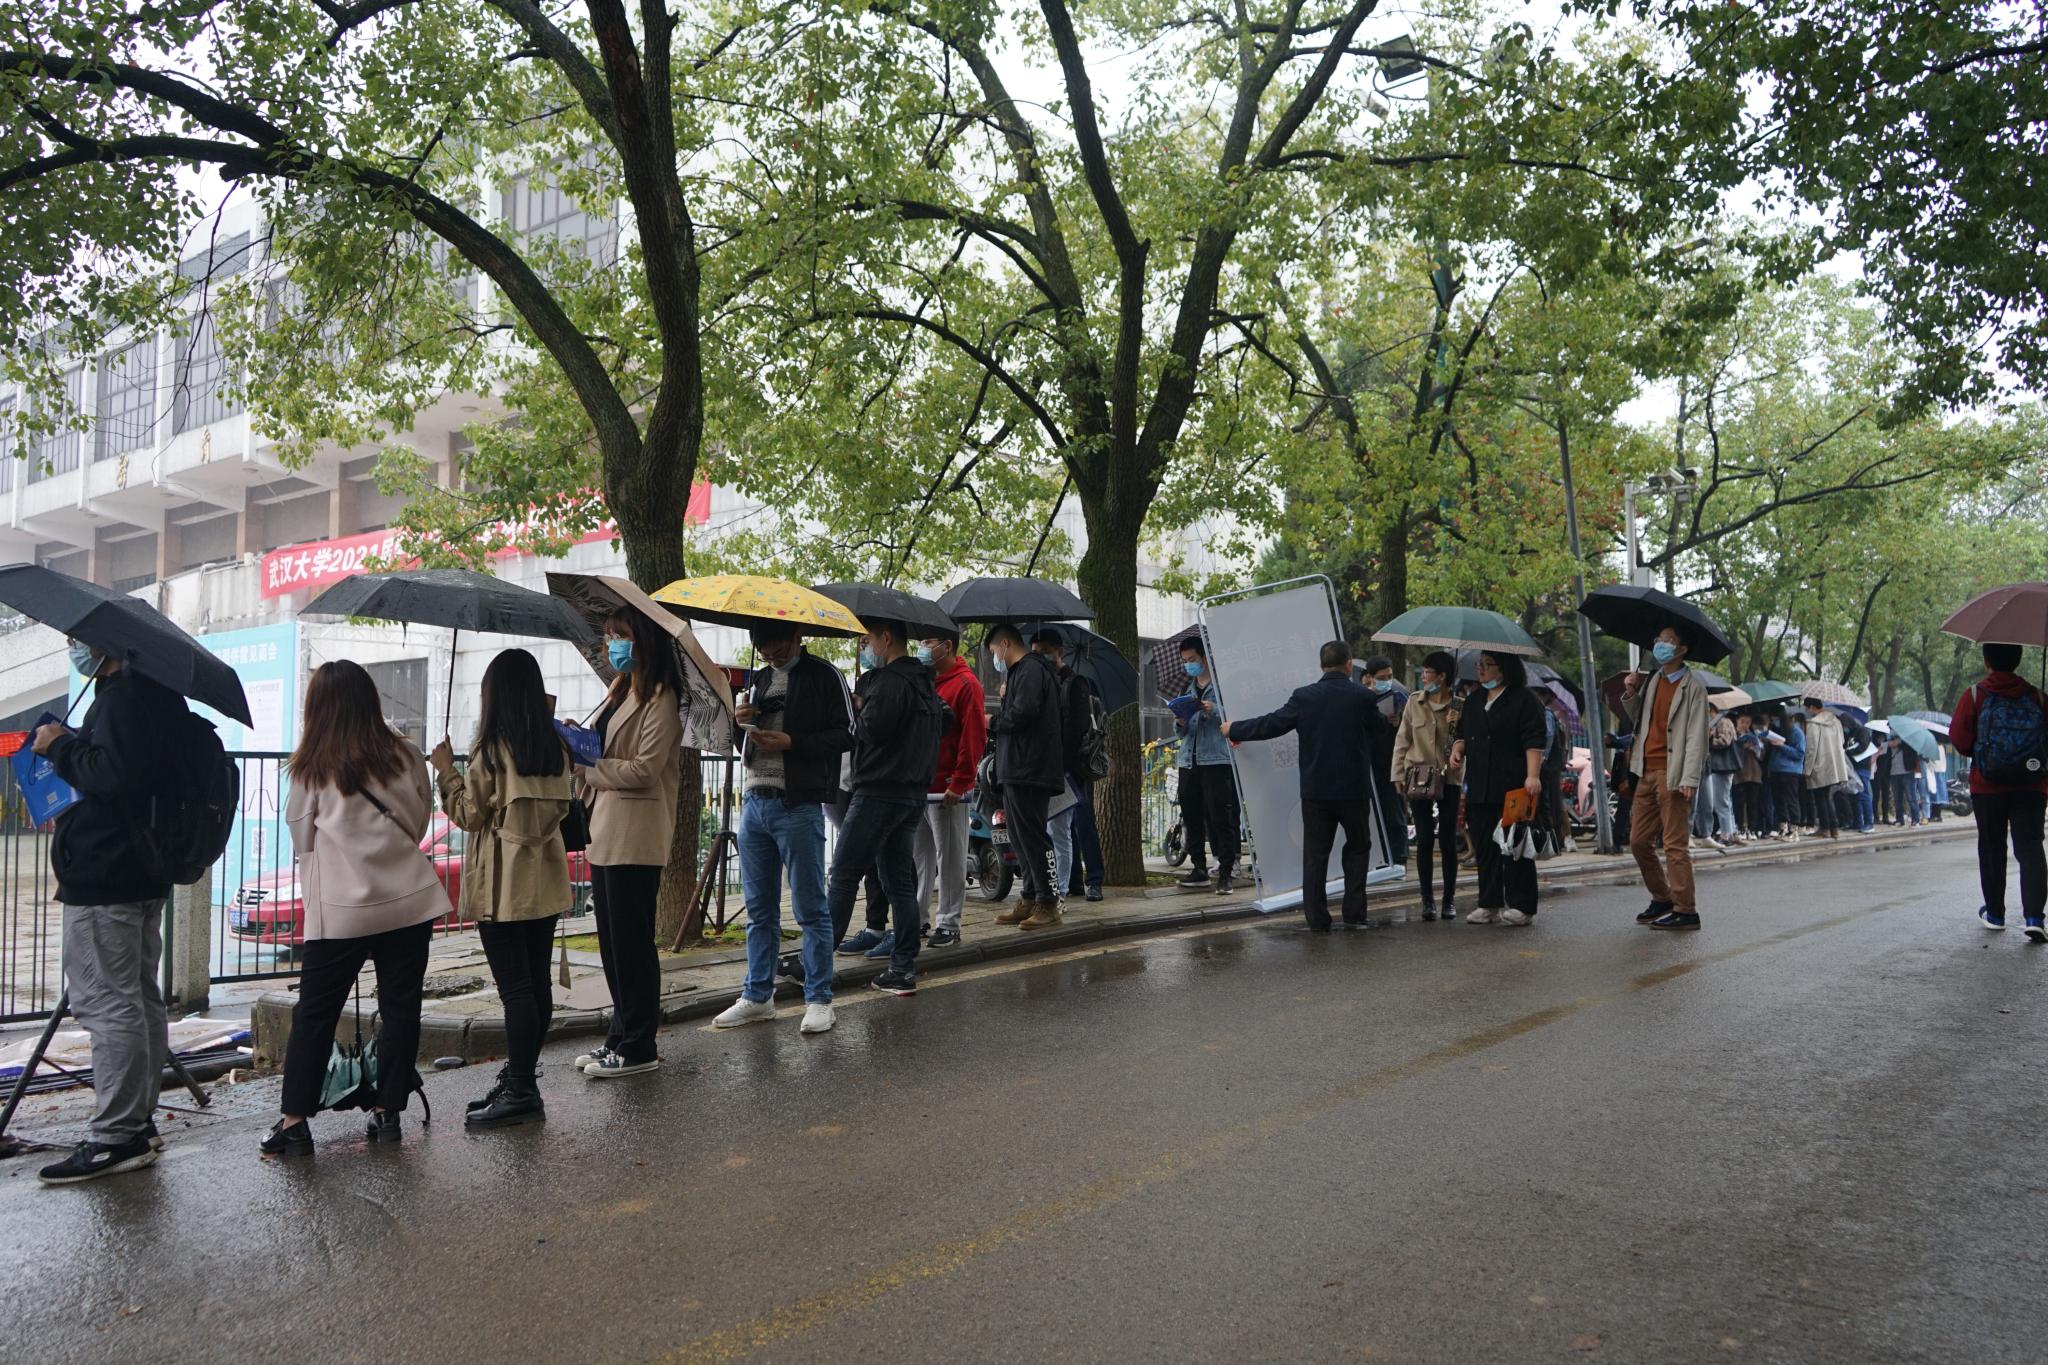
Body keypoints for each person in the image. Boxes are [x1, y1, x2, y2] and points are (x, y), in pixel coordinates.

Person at [260, 660, 446, 1157]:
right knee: (401, 1009)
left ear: (317, 707)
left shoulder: (312, 765)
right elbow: (418, 820)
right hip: (408, 901)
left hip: (341, 910)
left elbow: (302, 837)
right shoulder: (405, 754)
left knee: (316, 1014)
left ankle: (295, 1123)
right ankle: (387, 1113)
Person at [30, 641, 190, 1184]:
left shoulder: (123, 699)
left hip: (106, 873)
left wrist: (59, 746)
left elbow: (111, 776)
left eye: (78, 641)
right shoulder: (158, 697)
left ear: (107, 645)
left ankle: (116, 1135)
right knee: (138, 998)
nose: (75, 648)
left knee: (107, 1002)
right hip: (141, 872)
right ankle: (136, 1120)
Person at [432, 650, 575, 1128]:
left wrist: (445, 769)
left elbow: (469, 815)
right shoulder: (554, 749)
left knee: (516, 991)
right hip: (545, 878)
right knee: (536, 985)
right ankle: (521, 1079)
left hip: (503, 885)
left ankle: (521, 1090)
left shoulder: (492, 751)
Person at [719, 622, 853, 1030]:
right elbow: (743, 741)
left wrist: (792, 742)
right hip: (753, 802)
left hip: (798, 805)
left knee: (811, 908)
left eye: (777, 649)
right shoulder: (759, 679)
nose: (771, 657)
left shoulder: (825, 675)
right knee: (759, 911)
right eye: (763, 650)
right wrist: (740, 720)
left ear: (796, 638)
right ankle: (757, 995)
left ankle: (819, 998)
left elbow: (848, 734)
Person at [575, 608, 683, 1078]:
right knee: (612, 944)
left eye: (619, 635)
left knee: (632, 944)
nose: (611, 644)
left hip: (636, 833)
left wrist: (591, 768)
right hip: (604, 827)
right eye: (608, 636)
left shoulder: (661, 697)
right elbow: (606, 751)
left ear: (643, 642)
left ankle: (640, 1045)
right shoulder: (619, 690)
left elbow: (645, 769)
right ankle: (619, 1035)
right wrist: (577, 742)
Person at [815, 618, 945, 995]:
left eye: (868, 640)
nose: (866, 647)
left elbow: (869, 730)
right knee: (899, 882)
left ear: (885, 639)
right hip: (911, 793)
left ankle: (816, 964)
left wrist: (857, 708)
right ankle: (902, 968)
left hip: (877, 790)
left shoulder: (890, 682)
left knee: (843, 874)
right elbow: (944, 721)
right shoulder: (924, 682)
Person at [1223, 640, 1390, 931]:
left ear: (1321, 665)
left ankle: (1317, 918)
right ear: (1349, 663)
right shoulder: (1363, 697)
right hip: (1353, 789)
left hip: (1316, 790)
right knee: (1358, 847)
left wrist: (1234, 728)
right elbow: (1380, 731)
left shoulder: (1305, 697)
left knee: (1315, 854)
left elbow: (1272, 724)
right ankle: (1354, 913)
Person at [1951, 642, 2048, 939]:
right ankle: (2034, 917)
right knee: (2030, 847)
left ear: (1987, 661)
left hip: (1988, 785)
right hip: (2031, 785)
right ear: (2018, 659)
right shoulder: (2037, 697)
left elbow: (1959, 739)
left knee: (1992, 846)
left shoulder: (1975, 694)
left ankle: (1995, 913)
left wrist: (1985, 751)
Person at [1618, 626, 1711, 930]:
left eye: (1668, 641)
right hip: (1645, 770)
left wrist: (1690, 777)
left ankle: (1686, 909)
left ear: (1682, 649)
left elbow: (1697, 736)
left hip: (1673, 773)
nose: (1660, 644)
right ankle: (1662, 896)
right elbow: (1640, 720)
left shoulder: (1693, 688)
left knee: (1674, 844)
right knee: (1638, 841)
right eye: (1658, 639)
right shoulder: (1653, 680)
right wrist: (1631, 692)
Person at [1449, 650, 1548, 925]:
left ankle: (1522, 905)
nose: (1480, 669)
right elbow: (1463, 734)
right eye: (1479, 664)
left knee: (1514, 846)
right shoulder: (1474, 700)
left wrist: (1533, 776)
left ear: (1503, 668)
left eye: (1487, 664)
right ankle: (1488, 903)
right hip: (1480, 784)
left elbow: (1534, 739)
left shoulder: (1524, 700)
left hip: (1512, 784)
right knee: (1485, 846)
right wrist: (1458, 750)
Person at [986, 623, 1066, 927]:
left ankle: (1048, 902)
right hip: (1015, 767)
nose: (995, 658)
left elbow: (1024, 713)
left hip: (1030, 767)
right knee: (1019, 837)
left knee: (1033, 837)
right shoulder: (1020, 672)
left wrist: (992, 720)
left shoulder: (1031, 670)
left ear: (1005, 644)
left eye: (994, 651)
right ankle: (1031, 897)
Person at [910, 630, 985, 946]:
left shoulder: (966, 684)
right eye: (921, 643)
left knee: (950, 857)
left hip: (948, 790)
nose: (922, 648)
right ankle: (917, 918)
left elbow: (973, 736)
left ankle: (949, 923)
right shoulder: (924, 682)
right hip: (921, 785)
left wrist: (961, 781)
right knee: (920, 858)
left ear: (947, 646)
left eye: (928, 643)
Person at [1390, 650, 1463, 921]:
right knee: (1423, 838)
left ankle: (1449, 899)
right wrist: (1397, 774)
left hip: (1449, 778)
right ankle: (1427, 900)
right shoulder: (1414, 702)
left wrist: (1458, 727)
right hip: (1418, 776)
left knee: (1448, 839)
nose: (1423, 677)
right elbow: (1402, 739)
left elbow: (1467, 742)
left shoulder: (1459, 705)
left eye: (1428, 673)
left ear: (1442, 677)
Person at [1035, 628, 1106, 901]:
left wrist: (1061, 765)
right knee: (1060, 828)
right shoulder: (1040, 682)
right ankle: (1073, 881)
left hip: (1073, 767)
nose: (1041, 657)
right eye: (1036, 653)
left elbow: (1075, 729)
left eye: (1046, 652)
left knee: (1082, 821)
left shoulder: (1076, 683)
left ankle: (1094, 880)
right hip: (1050, 767)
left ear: (1059, 652)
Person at [1174, 637, 1241, 892]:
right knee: (1191, 815)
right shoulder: (1186, 690)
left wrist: (1214, 708)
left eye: (1192, 659)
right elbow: (1181, 733)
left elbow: (1236, 719)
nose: (1189, 665)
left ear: (1204, 657)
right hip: (1188, 761)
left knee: (1220, 816)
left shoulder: (1222, 687)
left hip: (1215, 760)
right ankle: (1198, 868)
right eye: (1185, 661)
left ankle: (1225, 873)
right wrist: (1179, 722)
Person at [1362, 655, 1410, 864]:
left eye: (1390, 676)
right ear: (1370, 677)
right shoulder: (1363, 700)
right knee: (1374, 814)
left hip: (1393, 764)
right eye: (1382, 678)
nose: (1387, 681)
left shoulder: (1399, 697)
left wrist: (1398, 723)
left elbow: (1409, 732)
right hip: (1370, 764)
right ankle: (1380, 856)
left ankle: (1399, 856)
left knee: (1395, 812)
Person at [1802, 698, 1851, 840]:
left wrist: (1807, 769)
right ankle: (1833, 828)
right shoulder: (1836, 721)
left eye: (1807, 708)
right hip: (1834, 764)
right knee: (1827, 796)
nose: (1807, 711)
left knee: (1820, 797)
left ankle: (1825, 828)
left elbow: (1811, 749)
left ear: (1812, 707)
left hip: (1819, 764)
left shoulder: (1813, 724)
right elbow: (1842, 741)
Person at [1699, 706, 1740, 849]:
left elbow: (1725, 741)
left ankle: (1726, 834)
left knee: (1721, 801)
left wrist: (1710, 739)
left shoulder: (1724, 721)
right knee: (1723, 800)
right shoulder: (1716, 722)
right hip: (1718, 767)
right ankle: (1730, 831)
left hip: (1723, 767)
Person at [1764, 713, 1808, 838]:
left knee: (1791, 800)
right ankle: (1783, 827)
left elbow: (1799, 754)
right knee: (1778, 800)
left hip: (1791, 771)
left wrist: (1782, 746)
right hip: (1775, 770)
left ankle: (1794, 829)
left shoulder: (1797, 733)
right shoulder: (1778, 731)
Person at [1733, 713, 1767, 840]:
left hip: (1754, 774)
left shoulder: (1755, 736)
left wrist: (1756, 749)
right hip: (1739, 774)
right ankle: (1740, 828)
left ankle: (1752, 829)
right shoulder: (1734, 736)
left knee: (1753, 803)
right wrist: (1742, 747)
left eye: (1748, 722)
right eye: (1742, 722)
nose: (1745, 725)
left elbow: (1762, 755)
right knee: (1739, 803)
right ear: (1737, 722)